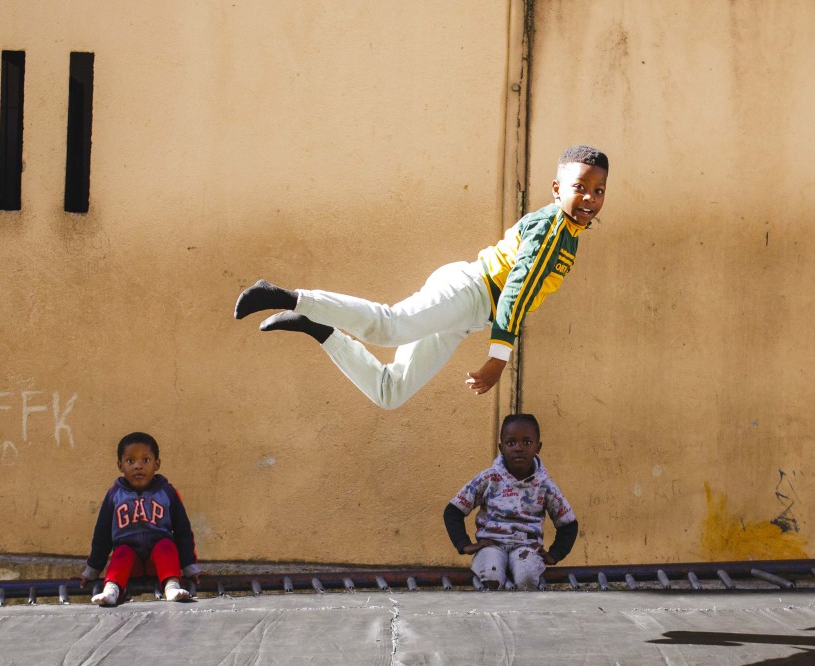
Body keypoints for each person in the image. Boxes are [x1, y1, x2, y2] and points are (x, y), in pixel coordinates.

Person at [234, 145, 608, 409]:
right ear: (557, 188)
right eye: (580, 188)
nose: (589, 199)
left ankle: (316, 326)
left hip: (473, 315)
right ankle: (285, 296)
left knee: (390, 392)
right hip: (471, 290)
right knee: (390, 326)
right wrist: (499, 357)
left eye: (598, 191)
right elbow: (516, 290)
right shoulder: (553, 230)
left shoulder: (571, 235)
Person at [443, 413, 578, 590]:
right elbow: (453, 511)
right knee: (492, 576)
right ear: (501, 447)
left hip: (526, 549)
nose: (519, 448)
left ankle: (522, 617)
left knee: (526, 577)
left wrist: (555, 554)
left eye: (527, 442)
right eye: (511, 443)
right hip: (491, 546)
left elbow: (568, 524)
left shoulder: (545, 485)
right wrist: (464, 544)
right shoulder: (489, 478)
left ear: (538, 447)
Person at [80, 432, 201, 606]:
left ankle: (172, 587)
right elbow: (102, 535)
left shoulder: (167, 493)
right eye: (130, 461)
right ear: (120, 465)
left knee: (166, 546)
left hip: (158, 563)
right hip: (130, 565)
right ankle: (111, 590)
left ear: (157, 464)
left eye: (145, 460)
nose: (138, 466)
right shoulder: (114, 495)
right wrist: (91, 571)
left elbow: (183, 531)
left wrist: (190, 567)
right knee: (121, 551)